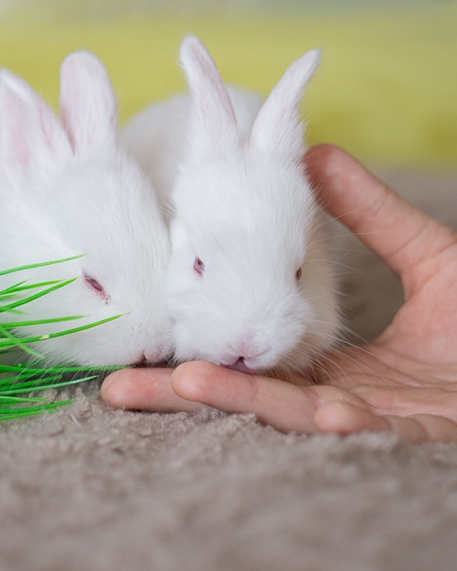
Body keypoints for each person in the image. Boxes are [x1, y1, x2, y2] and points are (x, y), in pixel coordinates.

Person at [101, 143, 457, 442]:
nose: (246, 343)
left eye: (295, 275)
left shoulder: (297, 222)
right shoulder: (177, 197)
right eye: (200, 267)